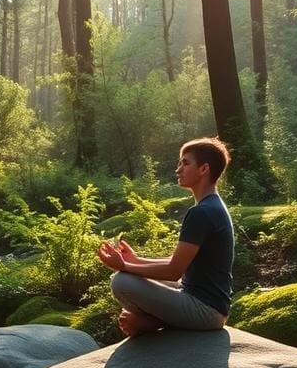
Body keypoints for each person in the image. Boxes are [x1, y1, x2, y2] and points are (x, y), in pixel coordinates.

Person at [97, 137, 234, 337]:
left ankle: (151, 322)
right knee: (130, 277)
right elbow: (179, 265)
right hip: (203, 299)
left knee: (121, 282)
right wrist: (136, 260)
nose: (178, 169)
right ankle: (152, 321)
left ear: (204, 169)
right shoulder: (213, 206)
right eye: (179, 163)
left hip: (205, 311)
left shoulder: (202, 213)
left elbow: (173, 271)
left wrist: (124, 266)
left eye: (185, 163)